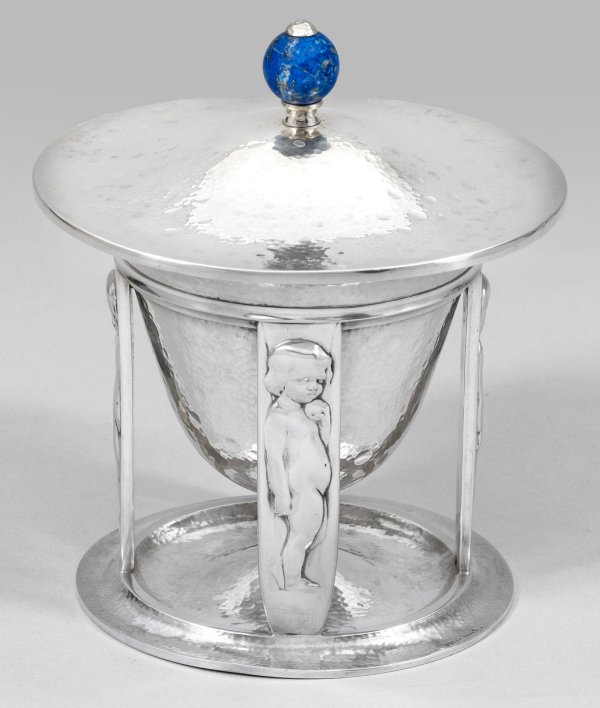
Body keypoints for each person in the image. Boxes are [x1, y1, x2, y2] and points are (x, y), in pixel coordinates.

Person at [263, 340, 333, 590]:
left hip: (316, 488)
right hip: (300, 490)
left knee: (312, 536)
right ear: (281, 381)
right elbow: (274, 459)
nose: (314, 387)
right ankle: (292, 582)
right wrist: (282, 496)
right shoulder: (278, 417)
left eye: (319, 381)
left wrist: (325, 423)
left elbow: (320, 445)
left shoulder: (304, 412)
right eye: (304, 380)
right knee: (300, 538)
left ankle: (295, 578)